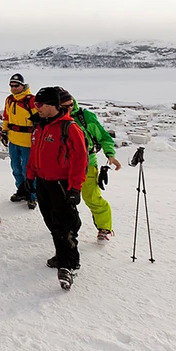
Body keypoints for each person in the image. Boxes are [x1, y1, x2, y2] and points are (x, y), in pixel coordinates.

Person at [25, 86, 88, 290]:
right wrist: (30, 176)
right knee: (51, 222)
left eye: (40, 104)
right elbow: (35, 153)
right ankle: (61, 254)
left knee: (66, 225)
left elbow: (80, 160)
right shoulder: (40, 126)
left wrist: (75, 188)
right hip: (43, 182)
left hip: (61, 184)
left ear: (53, 105)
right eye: (36, 104)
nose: (37, 108)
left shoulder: (69, 128)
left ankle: (69, 265)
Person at [58, 88, 122, 243]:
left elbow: (104, 137)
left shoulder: (84, 117)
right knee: (61, 199)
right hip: (62, 166)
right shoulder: (52, 119)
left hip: (87, 163)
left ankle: (104, 228)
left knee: (91, 197)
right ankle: (65, 227)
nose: (69, 108)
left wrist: (110, 155)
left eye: (71, 104)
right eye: (64, 106)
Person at [2, 73, 38, 210]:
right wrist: (4, 132)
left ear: (22, 85)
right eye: (11, 85)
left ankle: (32, 195)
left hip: (28, 142)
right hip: (13, 139)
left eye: (16, 85)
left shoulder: (32, 100)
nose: (13, 88)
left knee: (27, 170)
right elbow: (6, 116)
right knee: (16, 168)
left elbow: (40, 118)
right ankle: (22, 191)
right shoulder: (9, 100)